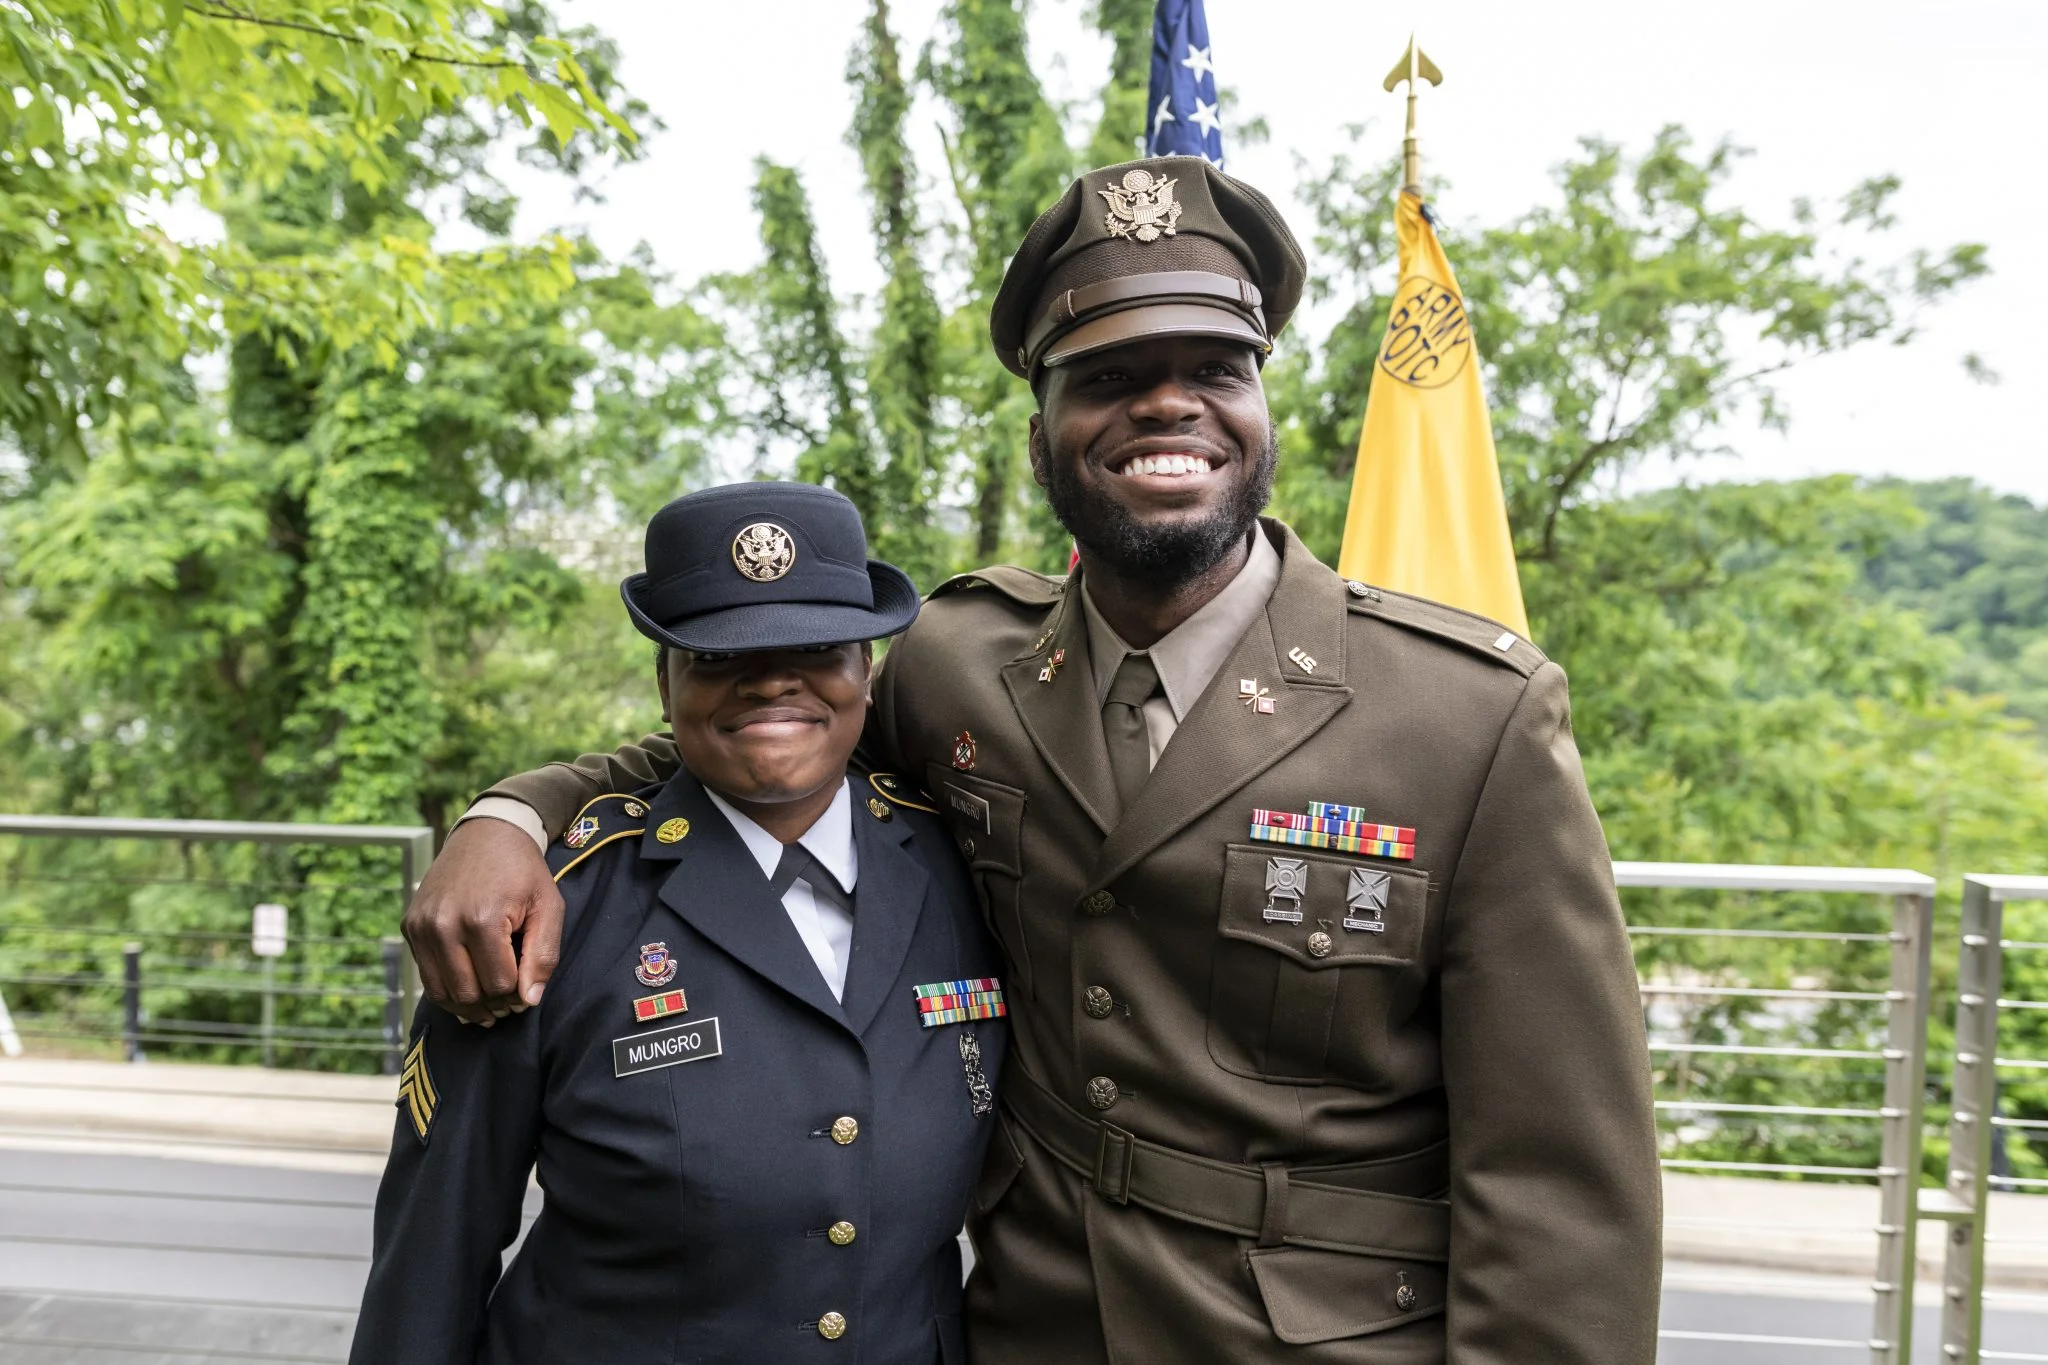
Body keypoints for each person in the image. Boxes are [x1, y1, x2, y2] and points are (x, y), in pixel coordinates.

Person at [409, 157, 1662, 1363]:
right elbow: (751, 733)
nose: (1165, 404)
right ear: (1040, 433)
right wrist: (512, 816)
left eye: (1213, 368)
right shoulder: (961, 663)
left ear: (1260, 405)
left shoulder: (1466, 719)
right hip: (1033, 1328)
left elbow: (1560, 1190)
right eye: (1108, 373)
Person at [351, 481, 1008, 1364]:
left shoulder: (964, 866)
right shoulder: (553, 910)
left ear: (868, 673)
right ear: (665, 686)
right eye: (719, 654)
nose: (773, 677)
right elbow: (430, 1263)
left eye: (816, 645)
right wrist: (503, 817)